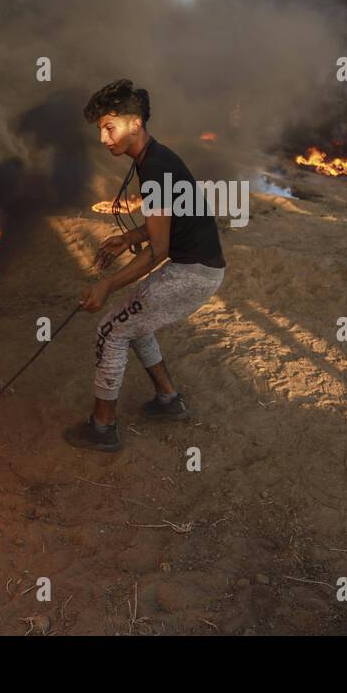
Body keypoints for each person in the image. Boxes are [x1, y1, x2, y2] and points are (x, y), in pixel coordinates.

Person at [67, 79, 227, 452]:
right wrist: (129, 237)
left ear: (135, 123)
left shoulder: (155, 169)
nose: (104, 139)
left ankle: (102, 428)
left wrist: (107, 285)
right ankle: (168, 400)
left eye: (110, 127)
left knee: (110, 329)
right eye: (100, 130)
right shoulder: (156, 159)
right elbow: (168, 222)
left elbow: (158, 249)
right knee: (133, 322)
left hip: (193, 273)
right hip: (198, 267)